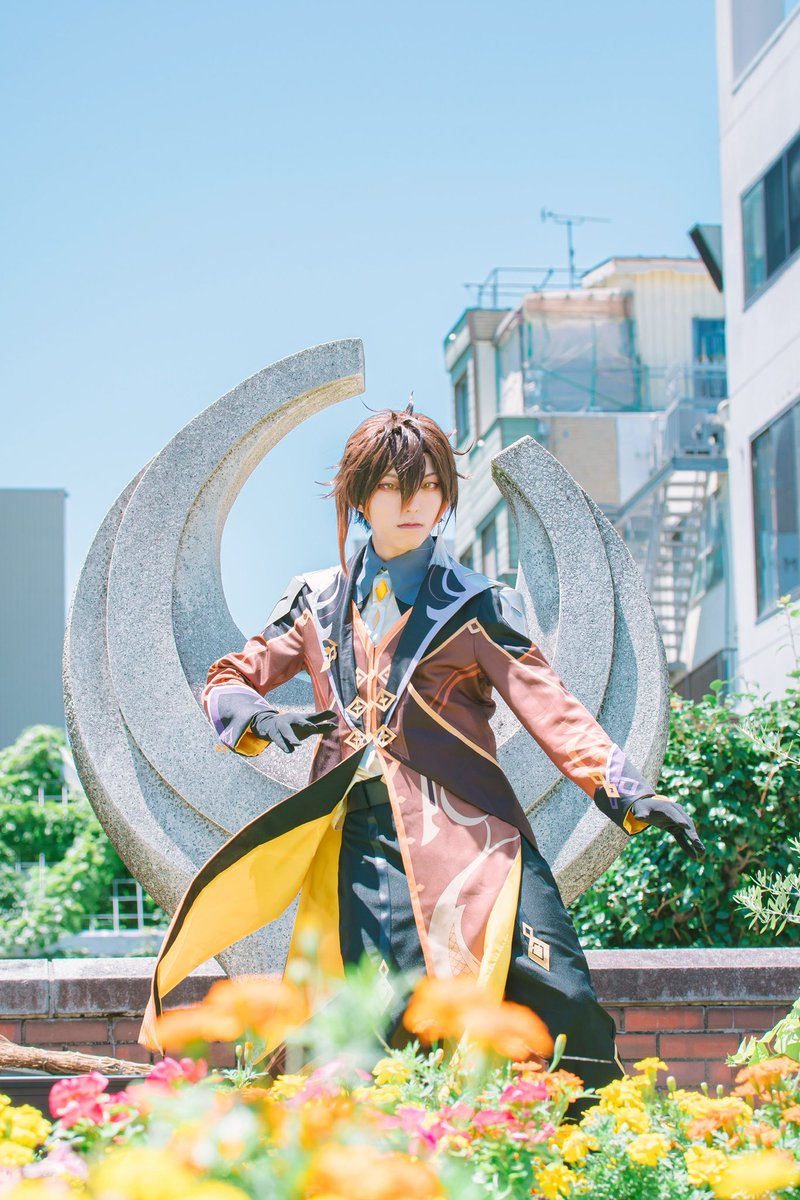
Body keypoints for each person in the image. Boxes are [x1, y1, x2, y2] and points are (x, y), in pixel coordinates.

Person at [140, 405, 704, 1085]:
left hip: (477, 840)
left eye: (431, 486)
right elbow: (228, 677)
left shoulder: (475, 603)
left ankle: (578, 1143)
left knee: (566, 1002)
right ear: (359, 496)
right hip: (360, 849)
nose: (415, 504)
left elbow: (550, 704)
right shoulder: (316, 602)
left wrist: (629, 792)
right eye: (393, 486)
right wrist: (259, 718)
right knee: (376, 1033)